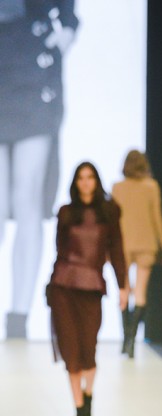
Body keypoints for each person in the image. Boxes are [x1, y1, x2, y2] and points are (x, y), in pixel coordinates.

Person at [0, 1, 79, 339]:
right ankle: (17, 317)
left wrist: (67, 28)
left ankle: (18, 316)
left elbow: (67, 12)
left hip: (32, 60)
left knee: (27, 197)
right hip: (25, 54)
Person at [47, 161, 128, 416]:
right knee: (70, 351)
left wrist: (123, 286)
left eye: (90, 177)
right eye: (81, 177)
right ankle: (79, 409)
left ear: (96, 181)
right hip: (63, 288)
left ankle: (88, 395)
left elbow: (117, 249)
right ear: (75, 182)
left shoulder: (109, 212)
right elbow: (59, 251)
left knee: (89, 349)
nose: (85, 182)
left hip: (91, 287)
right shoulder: (66, 213)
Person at [111, 148, 162, 357]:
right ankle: (131, 340)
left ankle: (126, 338)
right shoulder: (151, 186)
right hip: (146, 244)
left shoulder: (118, 187)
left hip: (123, 245)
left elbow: (113, 221)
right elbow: (157, 218)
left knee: (124, 291)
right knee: (140, 292)